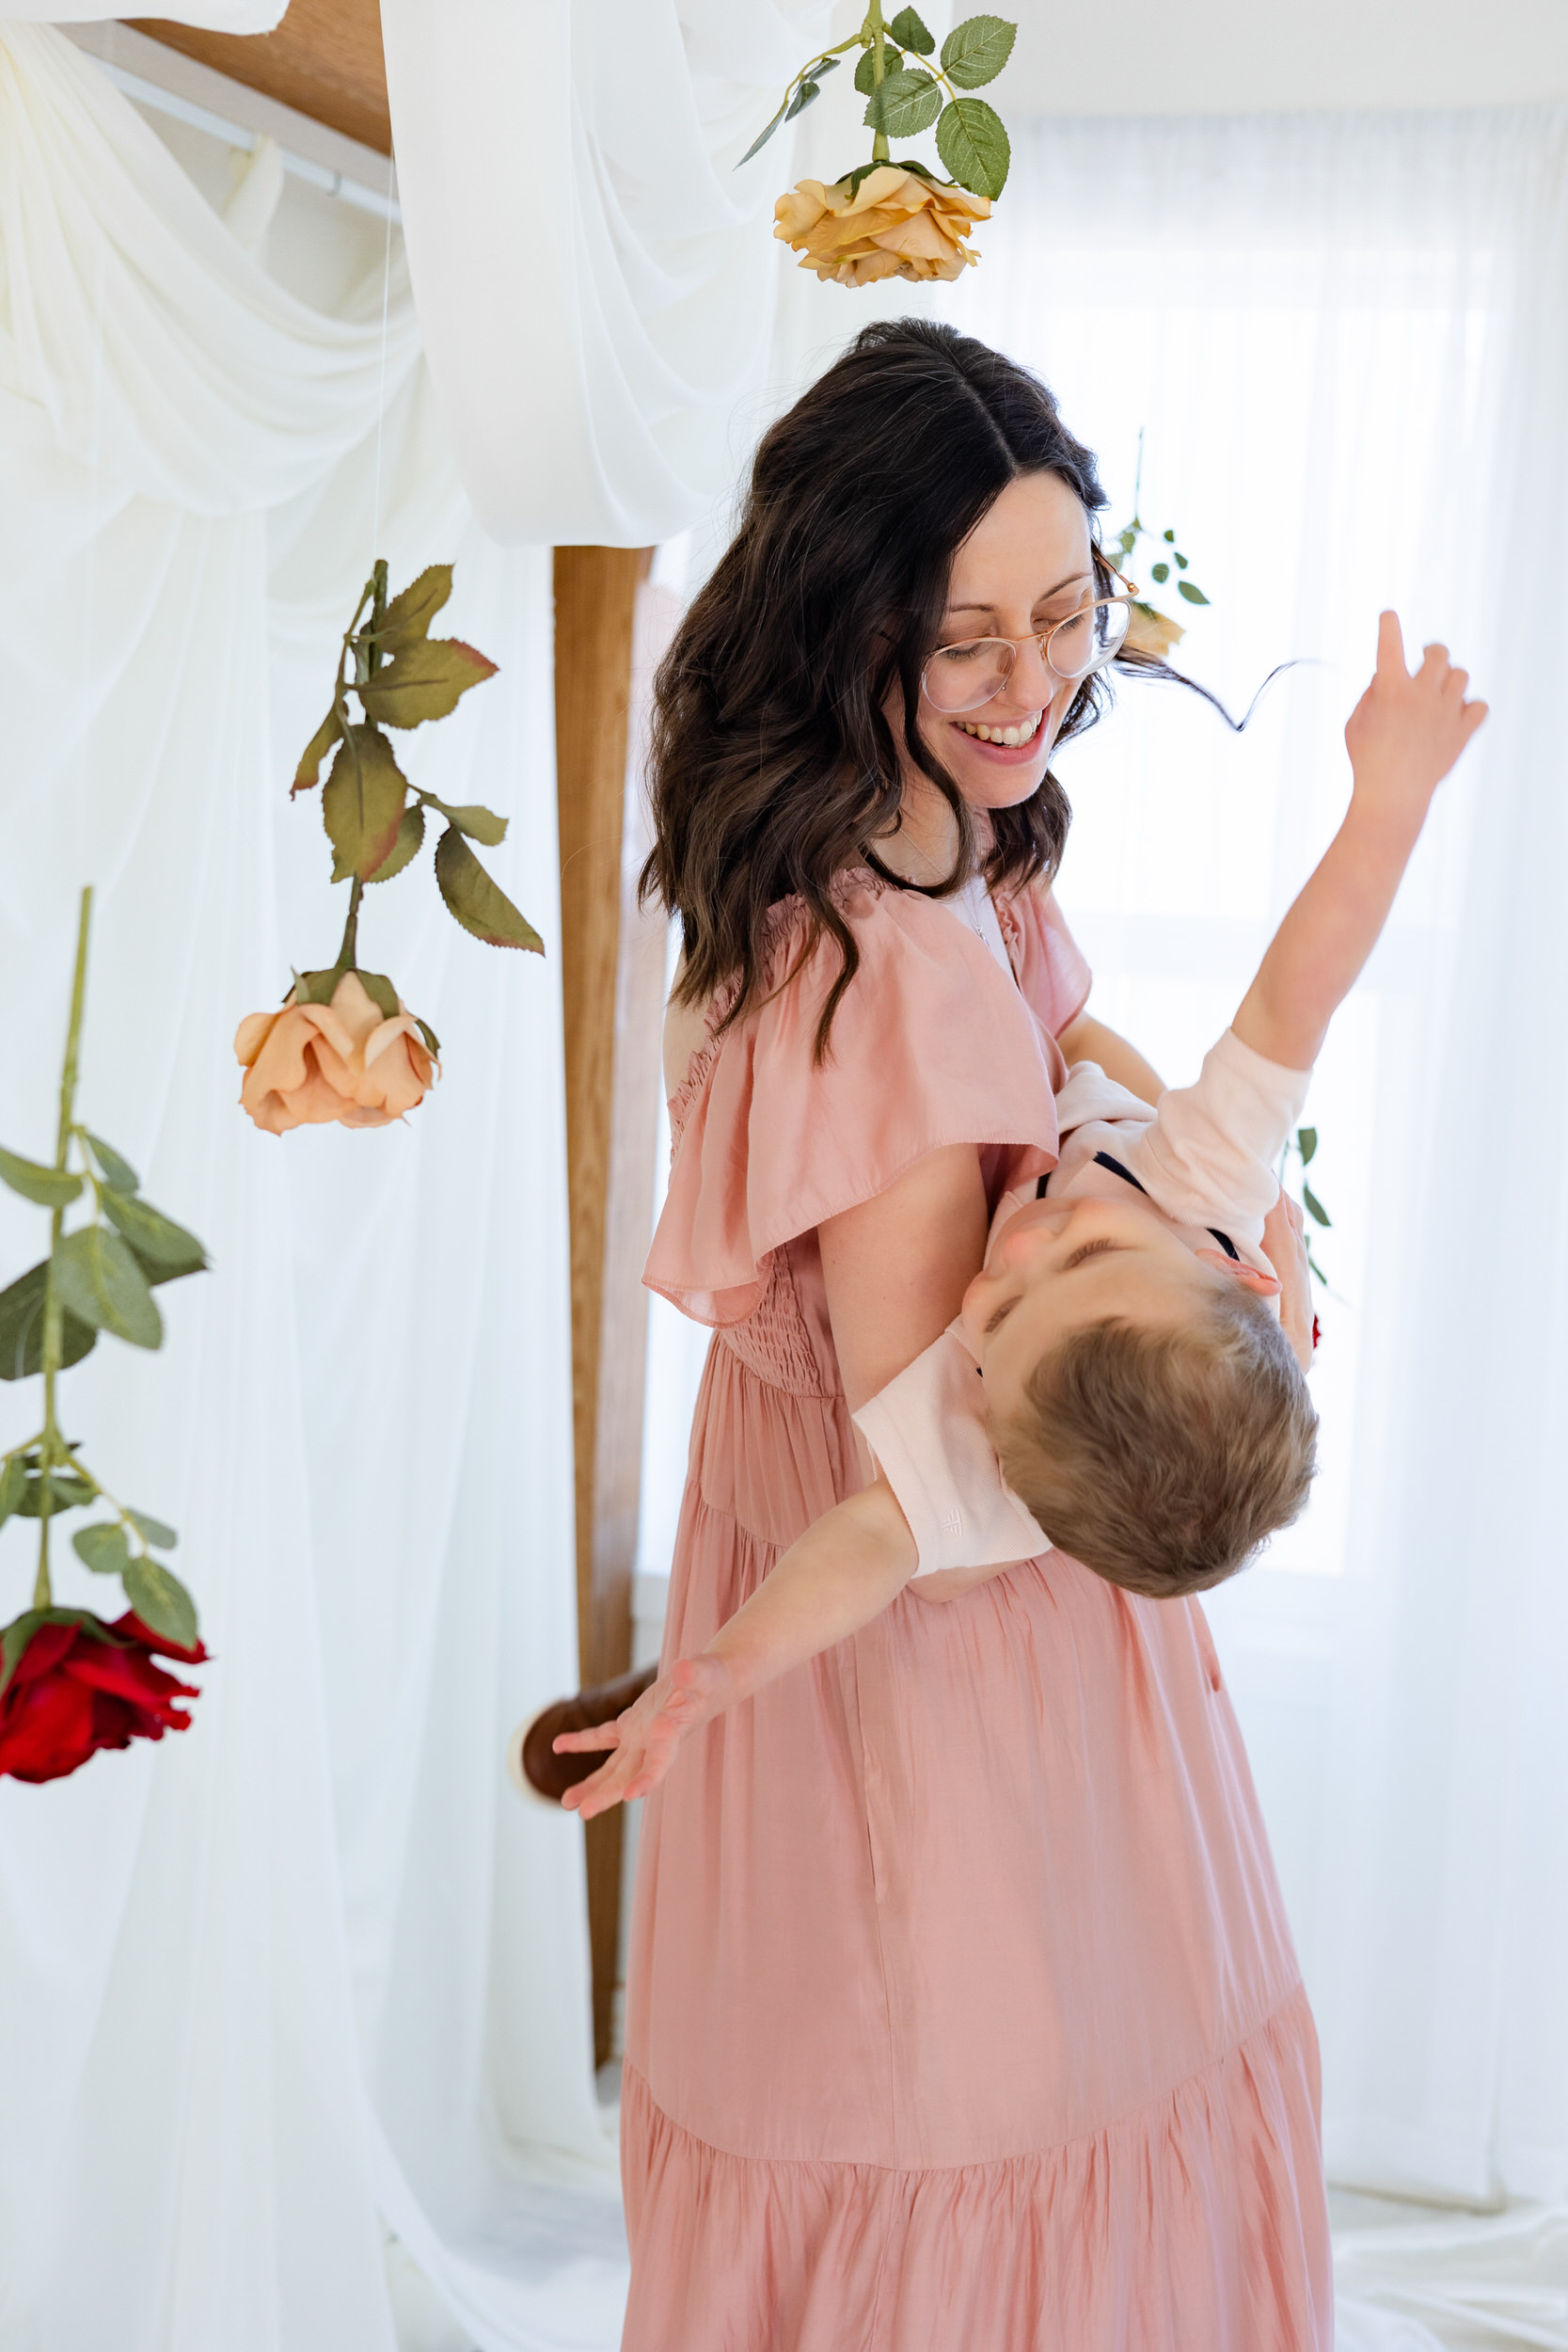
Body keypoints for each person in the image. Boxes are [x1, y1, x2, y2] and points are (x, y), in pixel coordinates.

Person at [606, 318, 1334, 2350]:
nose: (1034, 686)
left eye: (1066, 616)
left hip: (918, 1550)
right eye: (969, 640)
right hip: (920, 1598)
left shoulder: (937, 826)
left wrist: (1199, 1192)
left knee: (992, 2088)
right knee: (960, 2088)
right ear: (852, 637)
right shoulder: (890, 982)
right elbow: (929, 1441)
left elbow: (1053, 1035)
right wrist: (1159, 1249)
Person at [557, 613, 1483, 1817]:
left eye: (992, 1318)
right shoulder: (1201, 1186)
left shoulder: (1007, 1442)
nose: (1016, 1253)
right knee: (1094, 1060)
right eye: (1085, 1249)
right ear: (1227, 1267)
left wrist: (720, 1668)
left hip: (1006, 1083)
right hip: (1066, 1070)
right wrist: (1390, 801)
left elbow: (869, 1546)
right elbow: (1297, 987)